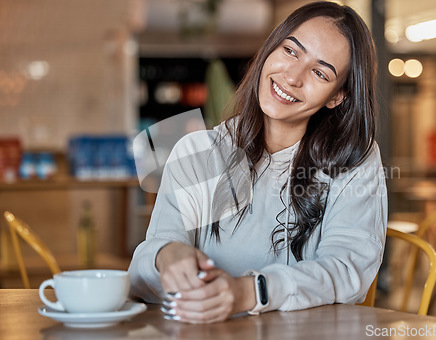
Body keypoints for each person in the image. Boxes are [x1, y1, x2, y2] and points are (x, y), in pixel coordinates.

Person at [128, 1, 387, 324]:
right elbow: (140, 273)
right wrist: (167, 256)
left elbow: (348, 270)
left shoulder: (352, 160)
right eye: (291, 51)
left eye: (320, 73)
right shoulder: (201, 151)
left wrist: (252, 291)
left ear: (337, 96)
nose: (292, 77)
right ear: (270, 49)